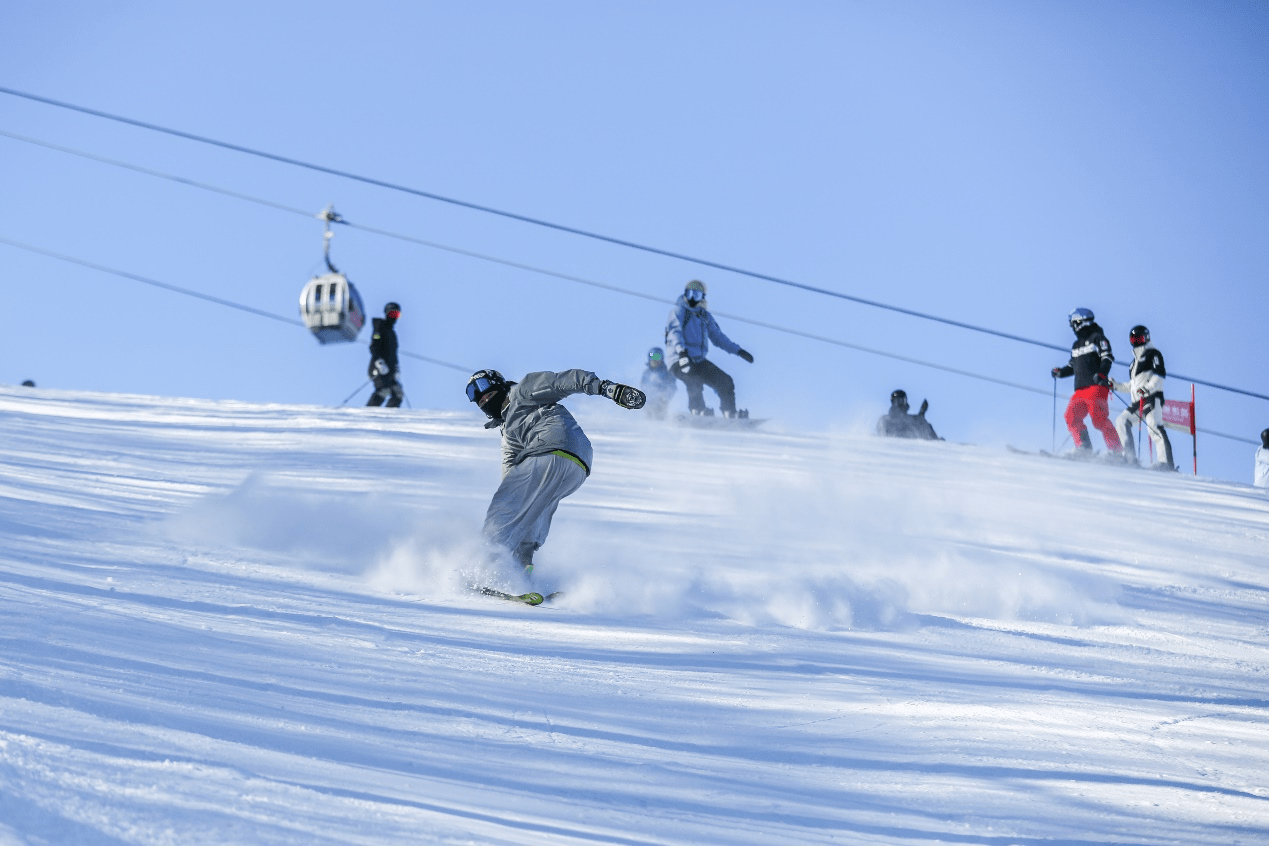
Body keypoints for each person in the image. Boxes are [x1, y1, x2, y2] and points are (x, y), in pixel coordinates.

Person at [466, 367, 646, 574]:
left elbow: (563, 381)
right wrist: (511, 495)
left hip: (550, 449)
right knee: (535, 507)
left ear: (499, 385)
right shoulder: (508, 433)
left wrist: (608, 389)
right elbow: (510, 471)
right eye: (478, 399)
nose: (483, 399)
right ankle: (521, 567)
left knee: (504, 509)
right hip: (578, 464)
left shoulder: (522, 391)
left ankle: (485, 568)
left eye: (486, 392)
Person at [665, 280, 754, 418]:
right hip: (679, 359)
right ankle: (698, 409)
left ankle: (729, 412)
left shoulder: (704, 316)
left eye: (697, 295)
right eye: (690, 294)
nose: (693, 298)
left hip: (698, 360)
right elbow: (674, 332)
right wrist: (682, 352)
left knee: (725, 381)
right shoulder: (679, 311)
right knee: (693, 379)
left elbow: (718, 337)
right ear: (685, 295)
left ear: (702, 298)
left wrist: (738, 351)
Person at [1051, 307, 1122, 456]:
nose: (1073, 327)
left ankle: (1116, 451)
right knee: (1071, 416)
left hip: (1096, 386)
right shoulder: (1076, 345)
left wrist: (1102, 374)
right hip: (1080, 390)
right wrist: (1060, 372)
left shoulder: (1098, 338)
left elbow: (1107, 357)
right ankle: (1084, 448)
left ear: (1080, 322)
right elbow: (1073, 367)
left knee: (1098, 419)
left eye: (1073, 324)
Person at [1111, 324, 1174, 470]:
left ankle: (1166, 463)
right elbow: (1132, 386)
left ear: (1146, 337)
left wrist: (1147, 389)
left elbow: (1158, 376)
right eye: (1133, 339)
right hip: (1138, 401)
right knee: (1122, 420)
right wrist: (1115, 385)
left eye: (1139, 338)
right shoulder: (1133, 364)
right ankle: (1129, 457)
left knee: (1154, 427)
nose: (1137, 341)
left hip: (1152, 397)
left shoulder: (1153, 354)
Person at [366, 302, 404, 407]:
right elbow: (374, 346)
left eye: (397, 315)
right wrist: (379, 362)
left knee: (398, 393)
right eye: (392, 314)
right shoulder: (380, 327)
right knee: (384, 390)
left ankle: (388, 417)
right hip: (377, 368)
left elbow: (393, 354)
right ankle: (367, 413)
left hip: (390, 371)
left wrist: (396, 368)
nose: (394, 318)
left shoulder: (392, 333)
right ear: (386, 314)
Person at [876, 390, 941, 440]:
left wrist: (921, 414)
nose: (900, 404)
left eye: (902, 401)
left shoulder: (912, 419)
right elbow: (882, 435)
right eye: (897, 401)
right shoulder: (885, 419)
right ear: (893, 403)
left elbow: (921, 428)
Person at [640, 347, 677, 419]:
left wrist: (665, 398)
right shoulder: (646, 373)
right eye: (652, 357)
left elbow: (672, 387)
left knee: (658, 415)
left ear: (662, 358)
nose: (654, 360)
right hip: (648, 402)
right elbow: (643, 386)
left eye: (657, 357)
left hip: (661, 402)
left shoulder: (667, 373)